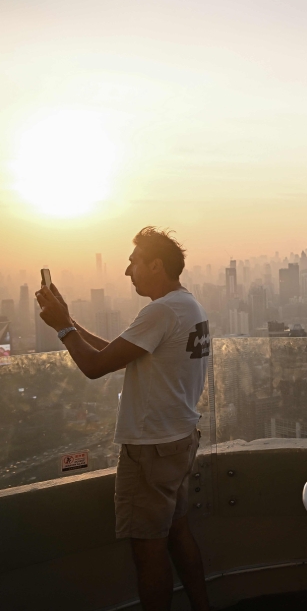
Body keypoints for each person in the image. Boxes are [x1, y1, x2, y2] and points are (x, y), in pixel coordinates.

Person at [36, 227, 211, 611]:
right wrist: (70, 319)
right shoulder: (187, 305)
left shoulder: (160, 310)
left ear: (155, 264)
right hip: (178, 442)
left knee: (148, 553)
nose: (127, 271)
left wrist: (62, 328)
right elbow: (117, 352)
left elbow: (96, 366)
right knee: (178, 532)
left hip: (150, 452)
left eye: (133, 262)